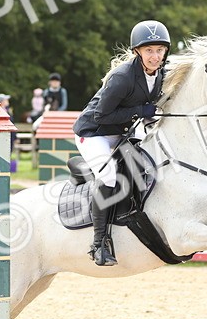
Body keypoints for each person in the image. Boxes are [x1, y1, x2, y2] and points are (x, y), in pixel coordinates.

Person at [72, 20, 169, 267]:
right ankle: (99, 244)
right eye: (149, 51)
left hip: (122, 132)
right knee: (109, 178)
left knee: (145, 166)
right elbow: (100, 116)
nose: (155, 56)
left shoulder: (160, 73)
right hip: (94, 133)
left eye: (159, 50)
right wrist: (140, 110)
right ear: (137, 51)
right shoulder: (122, 77)